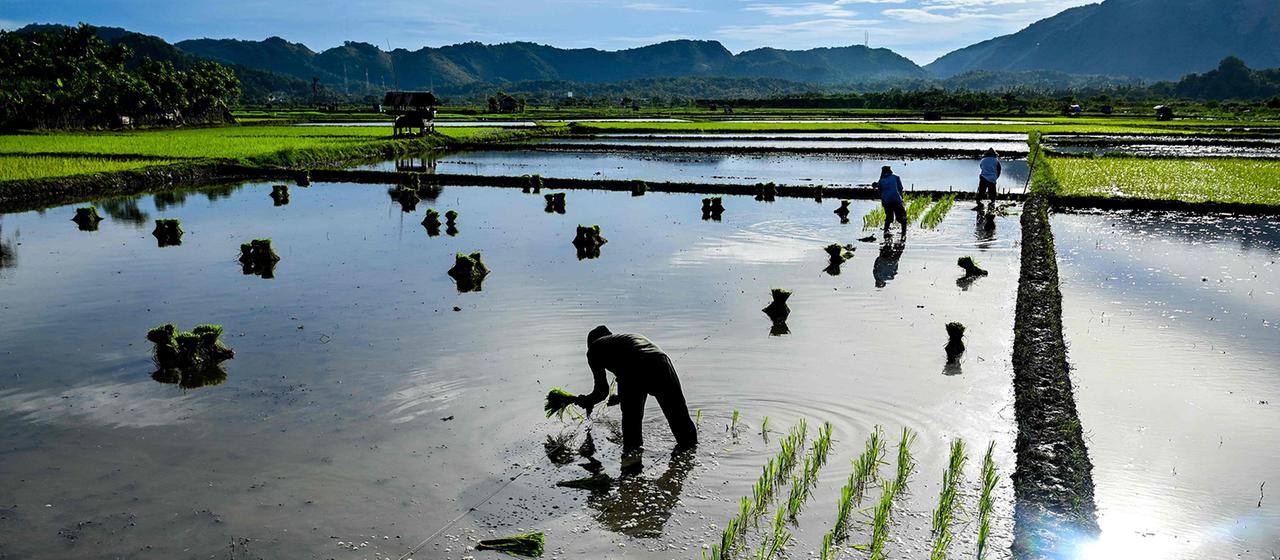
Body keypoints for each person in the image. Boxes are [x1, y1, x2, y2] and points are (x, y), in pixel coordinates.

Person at [574, 326, 697, 453]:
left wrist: (587, 401)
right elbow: (639, 375)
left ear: (590, 343)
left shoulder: (594, 348)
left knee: (631, 424)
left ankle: (632, 465)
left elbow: (602, 390)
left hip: (634, 365)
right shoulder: (625, 339)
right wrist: (621, 397)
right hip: (661, 362)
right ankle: (691, 454)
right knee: (679, 416)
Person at [876, 166, 907, 237]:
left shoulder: (881, 181)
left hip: (887, 201)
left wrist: (883, 201)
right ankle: (904, 233)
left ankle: (886, 231)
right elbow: (900, 189)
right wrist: (901, 199)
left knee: (889, 218)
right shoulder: (896, 177)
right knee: (902, 217)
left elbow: (880, 192)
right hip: (896, 199)